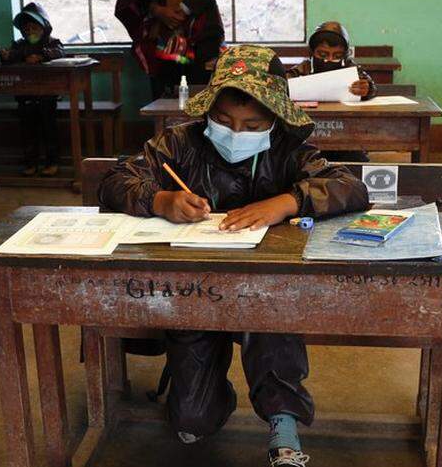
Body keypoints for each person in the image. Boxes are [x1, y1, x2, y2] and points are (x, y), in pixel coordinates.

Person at [99, 45, 368, 467]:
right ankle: (208, 397)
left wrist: (288, 201)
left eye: (252, 124)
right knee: (192, 419)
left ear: (274, 120)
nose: (235, 132)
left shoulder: (289, 151)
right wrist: (159, 198)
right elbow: (117, 179)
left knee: (272, 328)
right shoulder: (178, 142)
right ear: (208, 112)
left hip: (269, 289)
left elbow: (350, 187)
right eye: (223, 121)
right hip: (190, 289)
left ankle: (283, 418)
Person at [3, 2, 65, 177]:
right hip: (25, 96)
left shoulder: (53, 43)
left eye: (34, 27)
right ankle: (31, 163)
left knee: (49, 129)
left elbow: (60, 52)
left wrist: (41, 56)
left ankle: (52, 162)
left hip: (47, 96)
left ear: (44, 27)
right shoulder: (19, 45)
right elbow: (11, 56)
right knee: (27, 130)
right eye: (26, 28)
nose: (30, 31)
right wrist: (8, 56)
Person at [284, 21, 376, 100]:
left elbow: (372, 87)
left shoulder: (348, 66)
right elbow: (282, 84)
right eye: (323, 55)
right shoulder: (304, 67)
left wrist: (367, 90)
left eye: (337, 56)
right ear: (312, 52)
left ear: (344, 55)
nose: (329, 59)